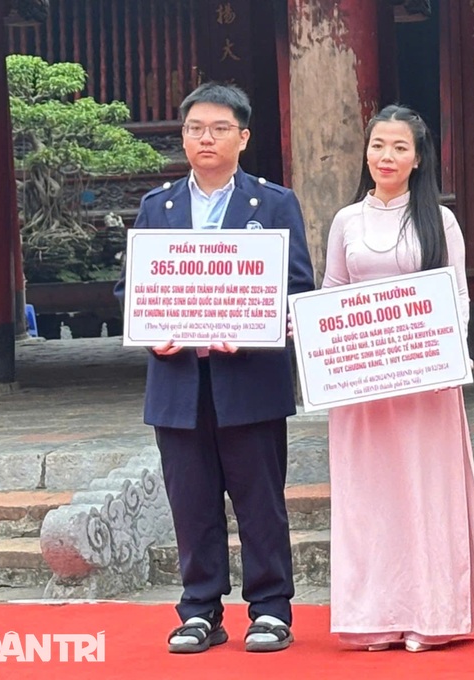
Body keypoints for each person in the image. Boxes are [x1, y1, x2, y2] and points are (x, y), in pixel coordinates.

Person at [115, 82, 314, 653]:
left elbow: (296, 286)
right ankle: (200, 609)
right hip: (178, 382)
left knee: (260, 501)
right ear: (183, 136)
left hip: (249, 379)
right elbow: (133, 291)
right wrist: (154, 335)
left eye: (219, 128)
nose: (206, 138)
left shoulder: (274, 203)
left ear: (243, 138)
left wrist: (252, 330)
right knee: (192, 501)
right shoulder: (159, 207)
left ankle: (271, 609)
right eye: (195, 128)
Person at [322, 105, 474, 653]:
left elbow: (458, 296)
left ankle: (432, 613)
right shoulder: (346, 221)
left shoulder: (439, 221)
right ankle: (375, 614)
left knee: (424, 496)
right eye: (377, 146)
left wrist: (447, 359)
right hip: (364, 392)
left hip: (424, 386)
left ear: (418, 159)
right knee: (370, 501)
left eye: (398, 148)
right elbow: (330, 294)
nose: (385, 157)